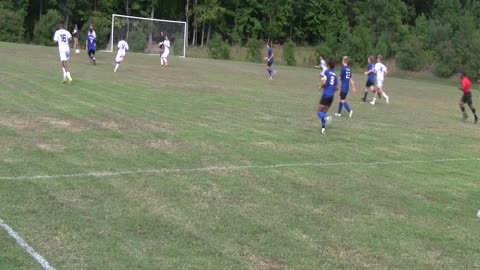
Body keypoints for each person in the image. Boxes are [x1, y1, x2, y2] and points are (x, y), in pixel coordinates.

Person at [317, 58, 338, 134]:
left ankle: (326, 118)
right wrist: (331, 89)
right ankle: (323, 129)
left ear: (328, 65)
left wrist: (321, 87)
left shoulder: (326, 72)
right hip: (331, 97)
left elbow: (324, 82)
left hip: (326, 95)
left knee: (319, 112)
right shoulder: (335, 74)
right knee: (323, 113)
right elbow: (337, 88)